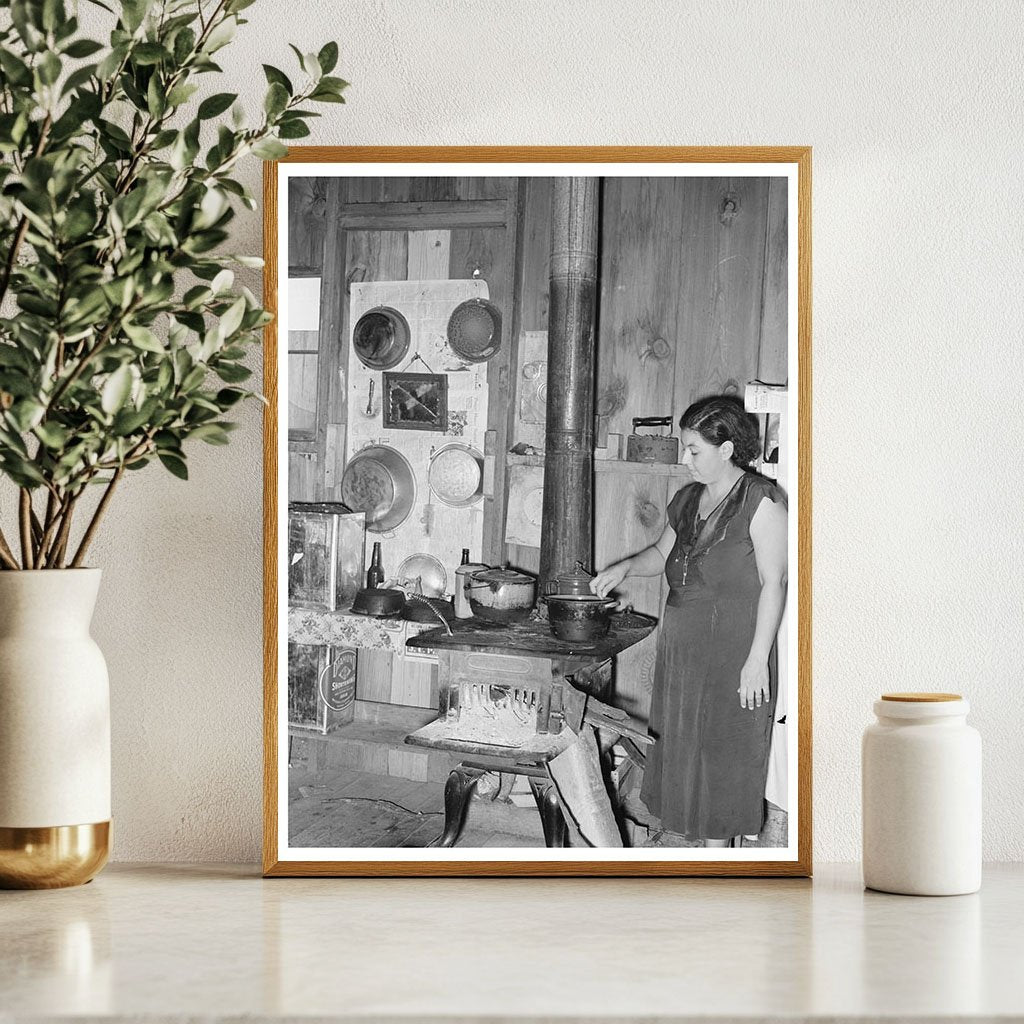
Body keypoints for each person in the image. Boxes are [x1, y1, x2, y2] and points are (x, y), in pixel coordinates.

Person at [590, 395, 788, 847]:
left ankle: (717, 862)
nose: (685, 460)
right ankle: (697, 848)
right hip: (683, 647)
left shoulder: (762, 503)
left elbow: (774, 583)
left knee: (724, 751)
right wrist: (623, 567)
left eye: (693, 450)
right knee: (684, 749)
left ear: (727, 450)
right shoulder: (686, 500)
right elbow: (661, 555)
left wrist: (757, 660)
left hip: (734, 649)